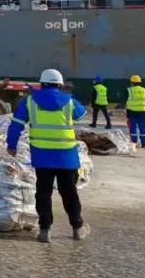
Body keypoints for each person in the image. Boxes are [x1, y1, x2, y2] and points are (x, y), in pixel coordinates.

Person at [7, 68, 89, 243]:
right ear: (60, 85)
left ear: (42, 84)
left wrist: (11, 145)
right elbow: (81, 114)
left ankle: (45, 230)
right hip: (67, 157)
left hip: (42, 156)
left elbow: (16, 124)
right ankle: (77, 227)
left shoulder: (30, 101)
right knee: (69, 193)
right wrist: (71, 98)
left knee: (43, 193)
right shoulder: (68, 101)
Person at [125, 75, 145, 148]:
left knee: (133, 127)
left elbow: (125, 100)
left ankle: (134, 142)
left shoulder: (129, 90)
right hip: (143, 112)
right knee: (142, 128)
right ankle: (144, 144)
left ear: (132, 82)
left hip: (131, 112)